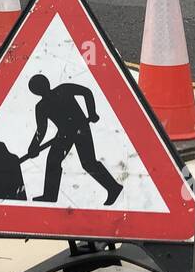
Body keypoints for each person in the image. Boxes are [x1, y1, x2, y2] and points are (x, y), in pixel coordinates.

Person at [24, 73, 123, 205]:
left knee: (88, 162)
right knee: (53, 161)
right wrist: (34, 146)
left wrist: (91, 112)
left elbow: (86, 92)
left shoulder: (63, 89)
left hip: (81, 129)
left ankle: (113, 188)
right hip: (64, 134)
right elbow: (41, 129)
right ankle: (49, 195)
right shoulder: (41, 106)